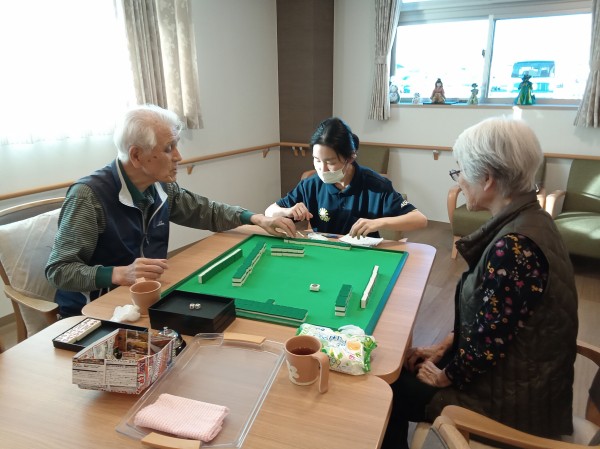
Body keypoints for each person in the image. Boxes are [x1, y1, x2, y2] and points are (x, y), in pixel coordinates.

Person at [381, 117, 578, 449]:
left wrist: (446, 376)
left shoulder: (514, 247)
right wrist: (446, 345)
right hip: (523, 379)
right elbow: (497, 321)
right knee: (406, 362)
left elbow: (488, 344)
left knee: (389, 388)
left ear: (487, 179)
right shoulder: (534, 219)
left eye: (460, 172)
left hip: (513, 405)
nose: (459, 181)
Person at [46, 104, 297, 318]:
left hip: (147, 299)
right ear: (136, 155)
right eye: (168, 148)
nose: (179, 157)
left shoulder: (160, 186)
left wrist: (256, 218)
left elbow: (204, 210)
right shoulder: (88, 196)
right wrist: (117, 273)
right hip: (95, 309)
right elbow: (59, 270)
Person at [264, 117, 427, 238]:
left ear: (350, 158)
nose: (322, 169)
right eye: (317, 160)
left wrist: (378, 222)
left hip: (363, 254)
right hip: (324, 252)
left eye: (331, 162)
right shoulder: (311, 185)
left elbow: (419, 219)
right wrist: (287, 211)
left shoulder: (375, 185)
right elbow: (269, 212)